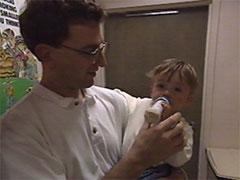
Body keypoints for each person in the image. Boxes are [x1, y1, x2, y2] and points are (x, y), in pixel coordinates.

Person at [0, 1, 186, 179]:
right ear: (46, 54)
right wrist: (138, 160)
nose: (103, 62)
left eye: (101, 48)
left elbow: (157, 107)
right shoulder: (18, 132)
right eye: (90, 51)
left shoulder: (114, 101)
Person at [122, 58, 199, 179]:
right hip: (128, 165)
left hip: (156, 172)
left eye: (177, 89)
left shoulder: (182, 127)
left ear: (188, 99)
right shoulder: (139, 106)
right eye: (161, 86)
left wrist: (172, 130)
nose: (167, 93)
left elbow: (179, 161)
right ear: (152, 89)